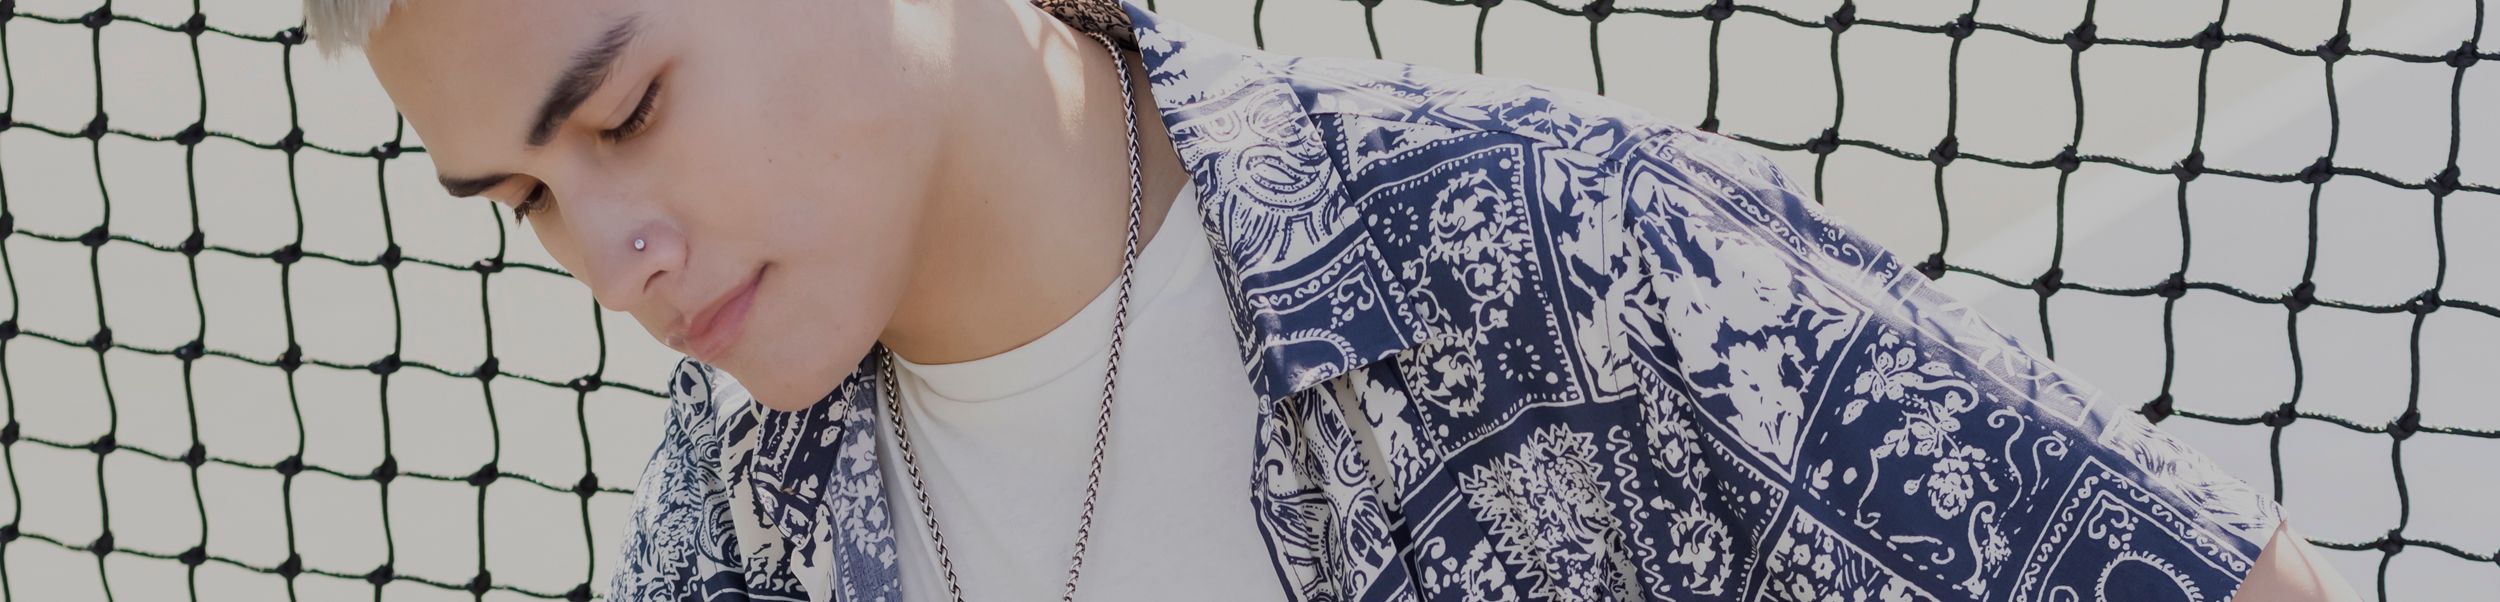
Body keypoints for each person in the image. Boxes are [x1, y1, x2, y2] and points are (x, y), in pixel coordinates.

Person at [310, 0, 2359, 600]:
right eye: (525, 200)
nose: (613, 254)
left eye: (629, 113)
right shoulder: (731, 524)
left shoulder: (1545, 254)